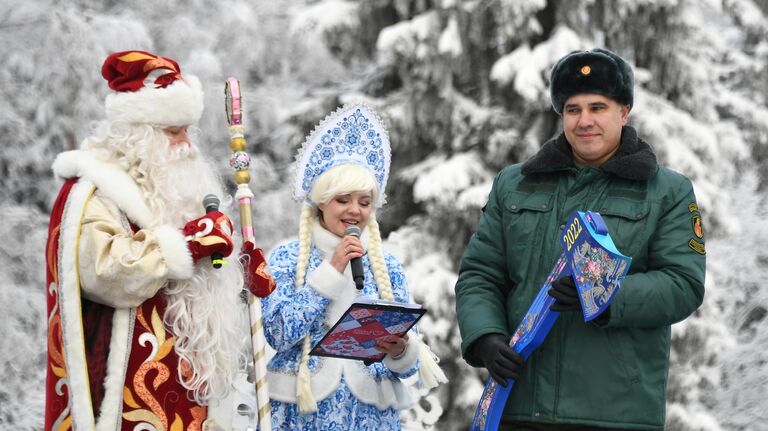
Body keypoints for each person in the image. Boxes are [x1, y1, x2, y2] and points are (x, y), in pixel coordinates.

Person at [455, 48, 706, 430]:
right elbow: (480, 274)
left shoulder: (667, 191)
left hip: (615, 411)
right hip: (518, 404)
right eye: (572, 109)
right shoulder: (515, 183)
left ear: (624, 111)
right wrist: (486, 337)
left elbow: (683, 284)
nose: (584, 120)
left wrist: (606, 296)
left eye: (597, 107)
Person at [44, 50, 275, 431]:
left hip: (190, 391)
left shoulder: (175, 188)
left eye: (187, 129)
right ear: (138, 135)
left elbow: (195, 285)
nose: (187, 144)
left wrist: (237, 272)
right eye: (173, 132)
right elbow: (103, 271)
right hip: (126, 397)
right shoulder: (94, 193)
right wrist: (188, 244)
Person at [262, 104, 447, 429]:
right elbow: (277, 332)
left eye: (364, 202)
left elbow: (408, 365)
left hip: (371, 417)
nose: (354, 211)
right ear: (322, 201)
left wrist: (400, 348)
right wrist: (329, 272)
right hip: (305, 416)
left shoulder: (386, 265)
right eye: (343, 200)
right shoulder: (287, 257)